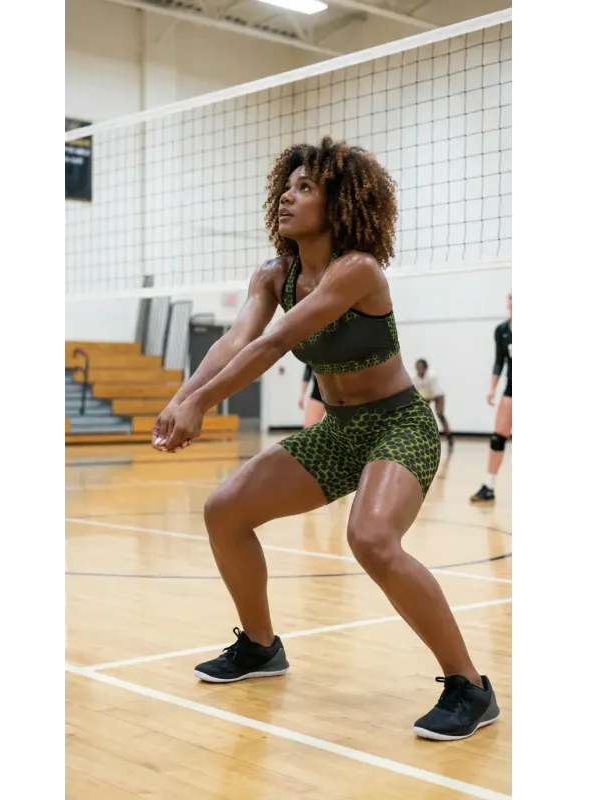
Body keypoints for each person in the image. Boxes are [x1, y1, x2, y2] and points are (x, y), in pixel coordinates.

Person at [152, 137, 499, 741]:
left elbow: (272, 345)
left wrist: (201, 404)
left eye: (306, 187)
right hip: (338, 430)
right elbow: (235, 342)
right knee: (224, 511)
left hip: (398, 423)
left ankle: (470, 685)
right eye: (286, 185)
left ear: (338, 204)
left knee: (371, 537)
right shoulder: (275, 275)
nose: (288, 194)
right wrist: (182, 397)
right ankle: (261, 647)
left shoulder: (356, 270)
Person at [470, 292, 513, 504]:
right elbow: (499, 361)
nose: (512, 301)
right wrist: (492, 389)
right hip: (512, 390)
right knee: (498, 437)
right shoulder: (502, 331)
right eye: (511, 297)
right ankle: (488, 486)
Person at [413, 359, 454, 454]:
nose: (420, 370)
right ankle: (423, 439)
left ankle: (449, 437)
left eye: (422, 367)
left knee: (440, 414)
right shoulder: (414, 378)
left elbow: (433, 392)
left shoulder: (432, 376)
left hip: (437, 395)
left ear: (425, 368)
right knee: (421, 416)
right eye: (418, 368)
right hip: (425, 395)